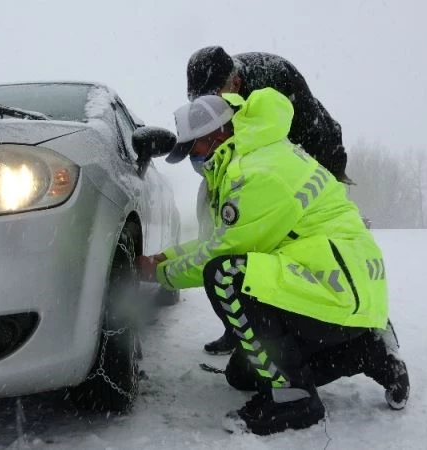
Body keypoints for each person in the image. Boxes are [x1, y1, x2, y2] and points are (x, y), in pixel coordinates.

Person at [138, 89, 409, 435]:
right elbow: (220, 239)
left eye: (195, 149)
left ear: (216, 134)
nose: (194, 159)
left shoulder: (255, 173)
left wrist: (159, 272)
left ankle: (294, 400)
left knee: (225, 276)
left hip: (334, 285)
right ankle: (365, 351)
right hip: (336, 288)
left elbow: (221, 253)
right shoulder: (259, 152)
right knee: (242, 373)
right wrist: (166, 258)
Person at [186, 45, 352, 355]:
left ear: (233, 84)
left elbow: (287, 152)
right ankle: (239, 327)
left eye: (213, 99)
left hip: (316, 155)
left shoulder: (271, 83)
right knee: (233, 240)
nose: (210, 109)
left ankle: (363, 332)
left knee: (300, 252)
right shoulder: (224, 93)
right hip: (273, 166)